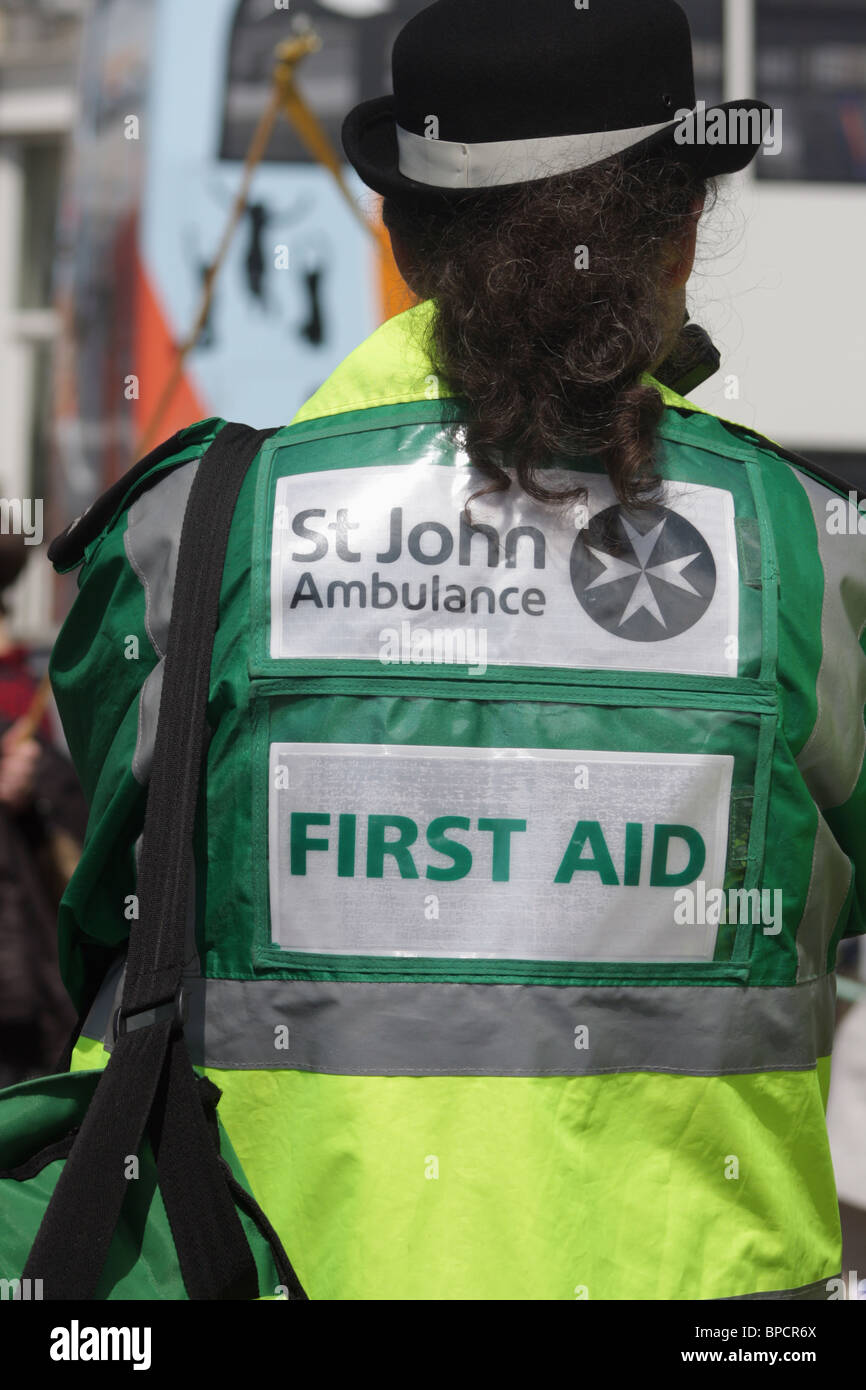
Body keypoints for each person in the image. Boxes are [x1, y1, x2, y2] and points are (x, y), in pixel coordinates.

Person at [47, 0, 865, 1300]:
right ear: (682, 234)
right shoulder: (813, 550)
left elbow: (108, 895)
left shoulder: (183, 534)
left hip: (261, 1271)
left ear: (401, 237)